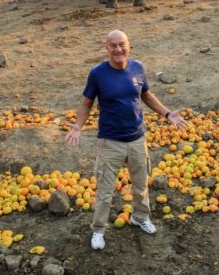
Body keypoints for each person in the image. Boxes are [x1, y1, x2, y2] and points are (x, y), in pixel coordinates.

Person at [65, 30, 188, 250]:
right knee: (105, 190)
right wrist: (77, 126)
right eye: (113, 46)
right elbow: (86, 103)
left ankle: (140, 217)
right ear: (106, 49)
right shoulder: (97, 73)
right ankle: (99, 230)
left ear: (129, 45)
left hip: (137, 139)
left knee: (141, 185)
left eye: (122, 44)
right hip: (110, 142)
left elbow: (147, 96)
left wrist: (168, 114)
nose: (118, 49)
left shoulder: (138, 68)